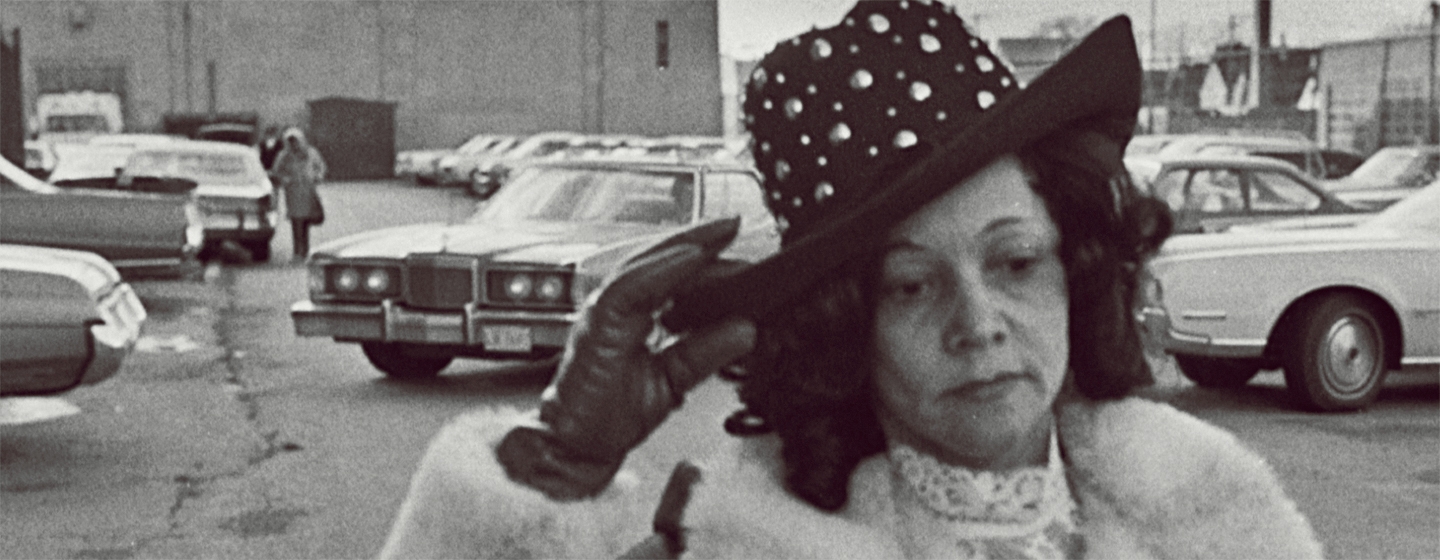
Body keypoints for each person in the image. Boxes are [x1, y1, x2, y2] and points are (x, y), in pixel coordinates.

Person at [379, 2, 1322, 559]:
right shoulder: (732, 546)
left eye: (1016, 262)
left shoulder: (1217, 524)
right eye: (910, 285)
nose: (979, 323)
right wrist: (552, 473)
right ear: (843, 326)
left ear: (1077, 271)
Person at [270, 127, 326, 258]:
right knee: (297, 222)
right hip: (293, 193)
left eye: (295, 141)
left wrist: (318, 176)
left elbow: (320, 166)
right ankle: (297, 251)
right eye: (290, 141)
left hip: (308, 192)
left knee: (306, 221)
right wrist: (285, 179)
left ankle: (305, 250)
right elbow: (276, 171)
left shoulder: (311, 153)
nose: (293, 144)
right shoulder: (284, 156)